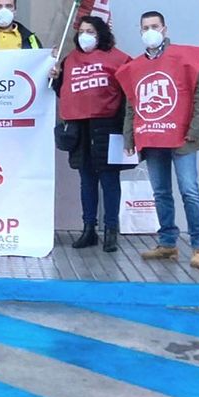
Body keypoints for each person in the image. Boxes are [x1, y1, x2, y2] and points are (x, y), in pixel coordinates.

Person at [116, 10, 199, 269]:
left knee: (189, 191)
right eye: (145, 27)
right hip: (153, 136)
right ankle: (168, 243)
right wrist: (129, 137)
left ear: (165, 29)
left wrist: (195, 129)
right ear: (140, 32)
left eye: (155, 26)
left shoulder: (186, 58)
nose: (150, 31)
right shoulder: (136, 67)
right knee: (160, 192)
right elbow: (131, 103)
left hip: (184, 138)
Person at [49, 15, 132, 252]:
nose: (85, 35)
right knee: (86, 180)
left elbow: (131, 90)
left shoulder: (118, 58)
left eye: (91, 31)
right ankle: (88, 229)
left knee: (109, 180)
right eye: (82, 31)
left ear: (102, 34)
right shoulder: (70, 60)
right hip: (80, 128)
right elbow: (62, 91)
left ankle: (111, 230)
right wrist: (55, 78)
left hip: (108, 126)